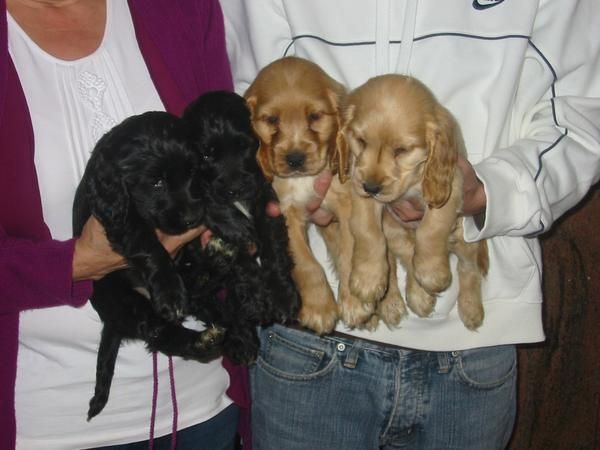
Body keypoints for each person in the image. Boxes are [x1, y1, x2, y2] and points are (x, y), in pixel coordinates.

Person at [220, 1, 600, 449]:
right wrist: (293, 192)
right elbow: (243, 106)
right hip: (312, 328)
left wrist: (488, 192)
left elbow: (580, 115)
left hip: (475, 331)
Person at [0, 0, 253, 448]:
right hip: (50, 422)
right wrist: (74, 263)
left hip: (204, 407)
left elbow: (231, 161)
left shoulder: (182, 10)